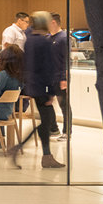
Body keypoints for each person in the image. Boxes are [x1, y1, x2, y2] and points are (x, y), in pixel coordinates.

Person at [20, 12, 67, 168]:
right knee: (45, 122)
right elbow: (48, 68)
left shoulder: (30, 40)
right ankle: (43, 155)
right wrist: (50, 92)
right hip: (42, 87)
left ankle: (46, 155)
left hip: (32, 84)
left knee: (45, 121)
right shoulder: (44, 42)